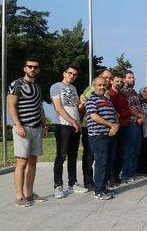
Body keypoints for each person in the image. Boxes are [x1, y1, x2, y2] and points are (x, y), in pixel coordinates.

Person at [8, 58, 49, 207]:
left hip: (37, 128)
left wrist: (44, 126)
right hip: (23, 128)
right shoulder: (16, 84)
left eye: (35, 67)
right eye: (29, 66)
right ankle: (19, 196)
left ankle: (29, 194)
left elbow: (40, 108)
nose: (32, 69)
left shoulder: (37, 87)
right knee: (22, 162)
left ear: (38, 70)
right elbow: (11, 106)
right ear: (24, 68)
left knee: (33, 161)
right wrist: (17, 125)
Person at [50, 64, 88, 199]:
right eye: (69, 73)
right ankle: (58, 185)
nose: (72, 76)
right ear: (64, 73)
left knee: (73, 155)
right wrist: (72, 121)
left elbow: (76, 107)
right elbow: (58, 108)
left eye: (74, 74)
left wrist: (82, 102)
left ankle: (73, 183)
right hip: (63, 125)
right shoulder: (56, 87)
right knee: (61, 155)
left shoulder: (73, 88)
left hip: (75, 126)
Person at [79, 68, 113, 191]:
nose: (107, 81)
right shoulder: (91, 92)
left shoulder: (106, 95)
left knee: (104, 159)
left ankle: (101, 184)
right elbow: (90, 112)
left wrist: (113, 125)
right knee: (91, 157)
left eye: (109, 79)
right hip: (92, 130)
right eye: (105, 78)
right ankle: (90, 183)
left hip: (106, 131)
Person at [85, 77, 119, 200]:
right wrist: (110, 125)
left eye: (104, 85)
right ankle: (98, 191)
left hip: (110, 135)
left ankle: (103, 187)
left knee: (109, 162)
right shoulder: (91, 100)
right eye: (99, 85)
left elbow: (115, 115)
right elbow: (94, 117)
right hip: (98, 136)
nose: (102, 87)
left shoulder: (107, 100)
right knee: (101, 163)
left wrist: (115, 126)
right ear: (94, 86)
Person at [119, 70, 145, 182]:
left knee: (136, 150)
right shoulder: (123, 92)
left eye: (133, 77)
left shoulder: (133, 91)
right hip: (130, 123)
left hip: (137, 123)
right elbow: (128, 108)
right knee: (129, 150)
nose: (132, 79)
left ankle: (132, 172)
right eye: (129, 77)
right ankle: (125, 174)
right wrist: (139, 115)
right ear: (124, 79)